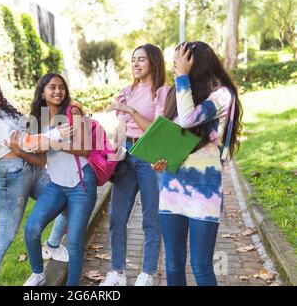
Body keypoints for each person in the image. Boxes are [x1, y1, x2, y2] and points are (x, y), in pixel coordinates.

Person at [0, 66, 70, 286]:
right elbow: (22, 142)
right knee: (5, 235)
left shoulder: (2, 107)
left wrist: (41, 133)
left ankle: (51, 245)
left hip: (34, 168)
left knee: (66, 203)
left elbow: (27, 132)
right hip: (11, 174)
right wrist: (55, 134)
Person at [151, 41, 243, 286]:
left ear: (194, 64)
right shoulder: (179, 94)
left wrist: (182, 77)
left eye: (179, 63)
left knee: (201, 266)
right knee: (173, 263)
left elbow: (188, 120)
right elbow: (172, 135)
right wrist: (160, 160)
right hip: (172, 190)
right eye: (175, 64)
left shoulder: (222, 95)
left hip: (205, 191)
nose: (174, 68)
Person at [101, 44, 168, 286]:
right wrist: (112, 154)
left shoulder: (162, 92)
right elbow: (120, 128)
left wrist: (129, 110)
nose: (136, 64)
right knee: (117, 217)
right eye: (133, 60)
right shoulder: (125, 91)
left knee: (151, 218)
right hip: (126, 154)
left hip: (150, 154)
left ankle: (147, 273)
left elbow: (155, 130)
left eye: (141, 59)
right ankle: (117, 272)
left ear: (153, 62)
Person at [20, 73, 97, 286]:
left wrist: (55, 142)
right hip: (56, 184)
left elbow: (85, 148)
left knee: (74, 242)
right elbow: (41, 158)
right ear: (42, 92)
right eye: (52, 87)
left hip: (81, 184)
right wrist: (20, 150)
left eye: (61, 87)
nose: (57, 91)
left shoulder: (73, 111)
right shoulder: (38, 119)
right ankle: (38, 274)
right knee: (32, 228)